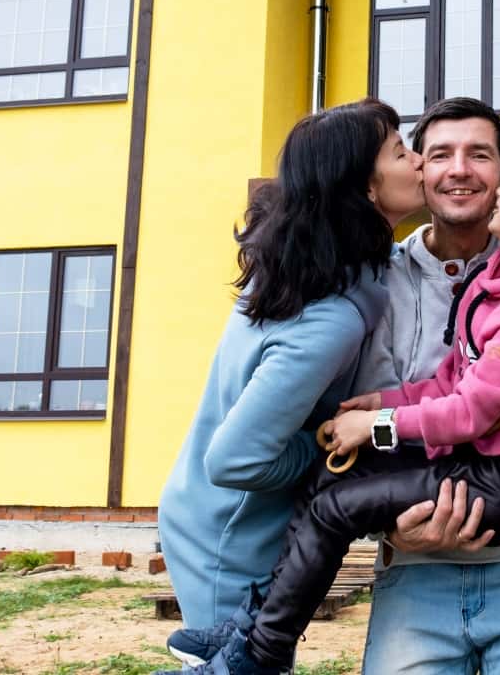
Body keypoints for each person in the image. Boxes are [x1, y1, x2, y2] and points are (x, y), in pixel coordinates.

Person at [191, 144, 500, 675]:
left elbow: (469, 413)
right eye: (431, 153)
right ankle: (253, 626)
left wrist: (376, 425)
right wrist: (384, 400)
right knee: (328, 477)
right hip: (475, 467)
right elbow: (447, 382)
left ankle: (262, 654)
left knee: (333, 510)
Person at [156, 98, 423, 636]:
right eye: (401, 152)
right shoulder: (330, 317)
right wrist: (327, 445)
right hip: (228, 545)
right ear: (365, 188)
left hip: (227, 522)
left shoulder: (322, 271)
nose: (419, 160)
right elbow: (234, 460)